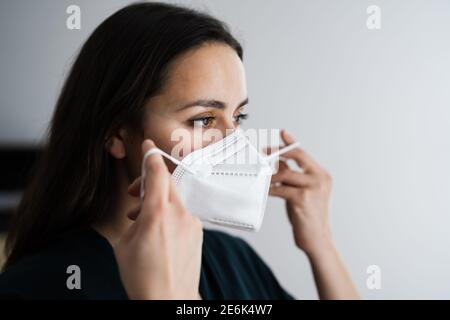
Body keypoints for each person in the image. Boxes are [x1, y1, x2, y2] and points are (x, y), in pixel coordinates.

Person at [0, 2, 359, 300]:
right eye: (203, 120)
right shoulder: (38, 286)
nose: (234, 143)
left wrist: (320, 243)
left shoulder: (232, 258)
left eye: (238, 116)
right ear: (117, 135)